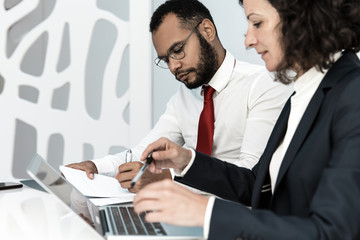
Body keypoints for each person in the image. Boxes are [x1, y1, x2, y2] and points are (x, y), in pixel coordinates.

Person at [133, 0, 360, 239]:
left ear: (303, 16)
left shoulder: (352, 95)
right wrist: (186, 160)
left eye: (258, 23)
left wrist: (206, 212)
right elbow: (256, 185)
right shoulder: (303, 92)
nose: (248, 40)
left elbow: (334, 232)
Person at [67, 0, 292, 193]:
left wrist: (170, 179)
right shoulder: (183, 99)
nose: (174, 66)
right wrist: (94, 167)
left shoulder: (263, 84)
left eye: (178, 50)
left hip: (237, 220)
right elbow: (143, 153)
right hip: (186, 214)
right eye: (165, 60)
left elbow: (250, 175)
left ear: (207, 31)